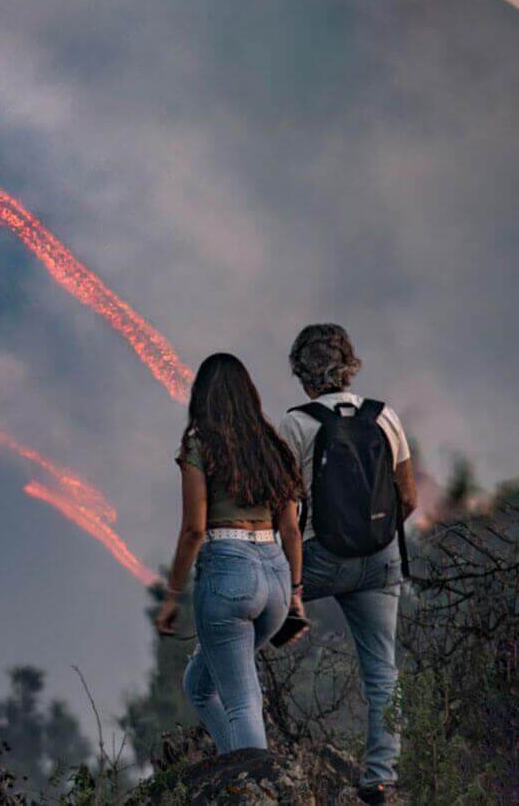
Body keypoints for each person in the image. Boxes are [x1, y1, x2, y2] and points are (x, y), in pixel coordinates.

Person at [278, 324, 416, 805]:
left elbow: (286, 511)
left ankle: (241, 736)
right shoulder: (385, 417)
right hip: (382, 559)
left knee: (246, 623)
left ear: (302, 373)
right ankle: (380, 777)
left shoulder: (295, 424)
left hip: (319, 558)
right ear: (349, 365)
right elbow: (409, 497)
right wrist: (375, 535)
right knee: (383, 669)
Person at [155, 353, 307, 754]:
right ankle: (234, 774)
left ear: (202, 397)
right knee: (199, 684)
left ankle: (254, 789)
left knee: (242, 701)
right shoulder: (273, 447)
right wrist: (294, 593)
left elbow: (193, 529)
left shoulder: (199, 445)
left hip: (229, 573)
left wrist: (172, 597)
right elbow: (291, 528)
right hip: (275, 576)